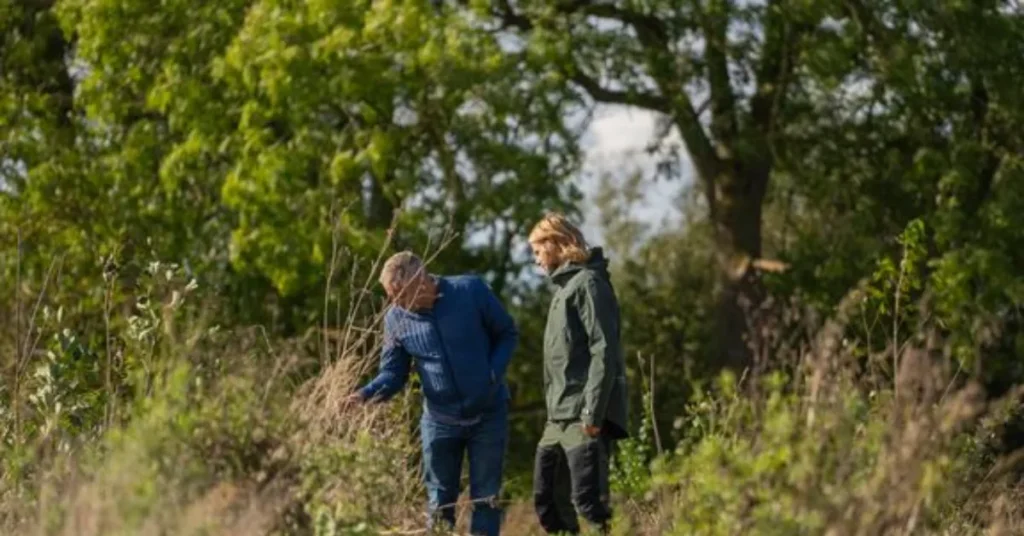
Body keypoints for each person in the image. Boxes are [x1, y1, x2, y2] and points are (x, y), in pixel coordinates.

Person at [348, 251, 518, 536]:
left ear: (422, 281)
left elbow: (507, 332)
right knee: (439, 505)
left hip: (488, 415)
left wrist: (492, 373)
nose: (394, 302)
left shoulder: (470, 291)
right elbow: (393, 374)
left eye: (399, 294)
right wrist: (363, 395)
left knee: (486, 499)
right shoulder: (395, 320)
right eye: (390, 295)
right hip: (439, 422)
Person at [528, 213, 629, 535]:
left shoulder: (589, 283)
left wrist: (592, 412)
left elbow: (604, 351)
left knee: (588, 503)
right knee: (547, 501)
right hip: (556, 418)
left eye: (537, 250)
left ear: (556, 244)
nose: (536, 260)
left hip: (583, 415)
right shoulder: (563, 289)